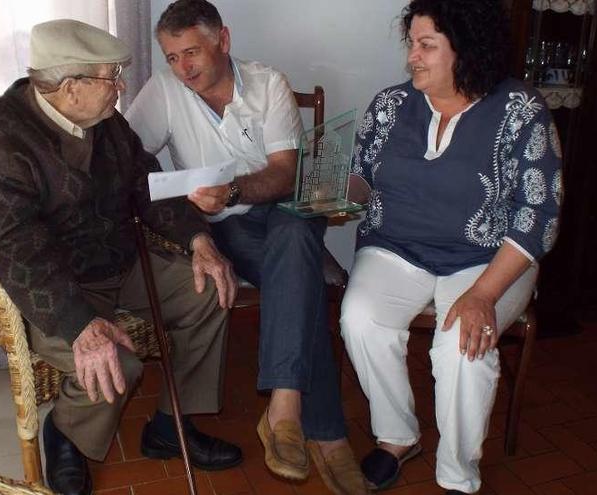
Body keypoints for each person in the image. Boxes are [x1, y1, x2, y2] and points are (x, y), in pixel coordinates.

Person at [0, 19, 243, 495]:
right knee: (118, 365)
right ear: (70, 88)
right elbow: (14, 249)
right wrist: (80, 323)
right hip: (52, 284)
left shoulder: (104, 120)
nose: (121, 88)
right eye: (112, 77)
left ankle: (172, 425)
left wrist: (198, 240)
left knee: (211, 289)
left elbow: (147, 184)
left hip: (118, 261)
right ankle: (65, 434)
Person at [126, 1, 366, 493]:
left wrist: (233, 191)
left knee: (296, 231)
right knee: (301, 283)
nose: (182, 68)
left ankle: (284, 407)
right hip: (227, 228)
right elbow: (127, 155)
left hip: (280, 209)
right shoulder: (166, 91)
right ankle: (326, 433)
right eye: (171, 57)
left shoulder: (267, 83)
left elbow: (284, 173)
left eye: (190, 52)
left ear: (223, 40)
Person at [340, 0, 562, 493]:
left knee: (462, 346)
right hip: (397, 247)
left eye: (426, 46)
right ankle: (397, 437)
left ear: (466, 50)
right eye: (411, 44)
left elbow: (538, 218)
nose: (411, 58)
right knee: (360, 318)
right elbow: (363, 177)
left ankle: (458, 474)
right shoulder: (391, 105)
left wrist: (483, 295)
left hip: (490, 258)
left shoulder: (521, 111)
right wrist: (333, 193)